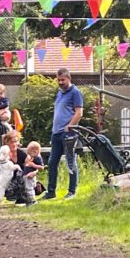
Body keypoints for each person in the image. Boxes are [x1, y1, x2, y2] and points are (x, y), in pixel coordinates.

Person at [42, 68, 84, 200]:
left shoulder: (75, 93)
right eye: (58, 80)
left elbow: (79, 112)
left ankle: (72, 191)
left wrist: (70, 126)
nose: (60, 82)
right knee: (52, 162)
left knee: (70, 162)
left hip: (68, 134)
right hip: (56, 133)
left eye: (63, 80)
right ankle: (51, 191)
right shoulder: (59, 93)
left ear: (69, 79)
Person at [2, 130, 32, 206]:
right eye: (12, 142)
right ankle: (13, 196)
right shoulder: (3, 154)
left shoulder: (22, 153)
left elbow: (33, 166)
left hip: (22, 179)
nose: (14, 144)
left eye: (16, 141)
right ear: (7, 143)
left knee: (21, 176)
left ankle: (24, 199)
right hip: (7, 179)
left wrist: (33, 172)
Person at [22, 141, 44, 205]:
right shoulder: (33, 157)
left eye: (29, 153)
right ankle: (28, 200)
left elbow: (41, 167)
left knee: (29, 188)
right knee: (27, 188)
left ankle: (32, 201)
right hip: (26, 175)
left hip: (30, 175)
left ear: (35, 151)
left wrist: (33, 165)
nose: (29, 155)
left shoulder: (38, 158)